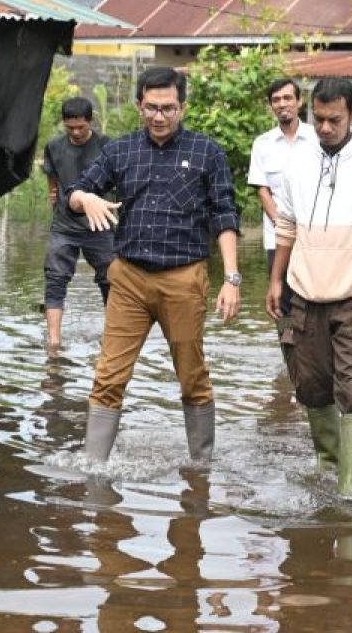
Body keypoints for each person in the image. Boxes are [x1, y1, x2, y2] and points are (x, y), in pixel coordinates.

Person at [67, 66, 242, 465]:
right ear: (138, 106)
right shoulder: (120, 151)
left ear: (182, 107)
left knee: (192, 375)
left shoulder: (207, 152)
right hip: (128, 277)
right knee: (109, 376)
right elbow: (75, 195)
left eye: (168, 108)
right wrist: (85, 199)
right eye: (151, 108)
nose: (159, 116)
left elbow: (225, 216)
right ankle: (93, 469)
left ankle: (201, 468)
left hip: (184, 277)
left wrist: (231, 278)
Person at [266, 78, 352, 498]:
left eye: (333, 120)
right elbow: (286, 224)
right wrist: (275, 280)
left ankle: (349, 487)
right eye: (317, 119)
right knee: (311, 383)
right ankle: (327, 463)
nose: (323, 128)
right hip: (303, 292)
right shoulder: (298, 160)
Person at [41, 97, 115, 350]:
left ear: (90, 122)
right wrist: (54, 197)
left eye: (80, 127)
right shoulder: (53, 146)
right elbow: (52, 177)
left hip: (100, 225)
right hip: (64, 225)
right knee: (55, 277)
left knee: (110, 279)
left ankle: (113, 336)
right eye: (69, 127)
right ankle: (54, 341)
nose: (75, 132)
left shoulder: (107, 146)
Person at [247, 78, 315, 321]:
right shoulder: (262, 144)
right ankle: (289, 352)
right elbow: (262, 189)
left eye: (287, 98)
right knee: (281, 302)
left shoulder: (317, 139)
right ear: (270, 106)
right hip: (276, 238)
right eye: (276, 100)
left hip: (313, 235)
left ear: (299, 101)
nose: (282, 104)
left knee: (313, 297)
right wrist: (281, 223)